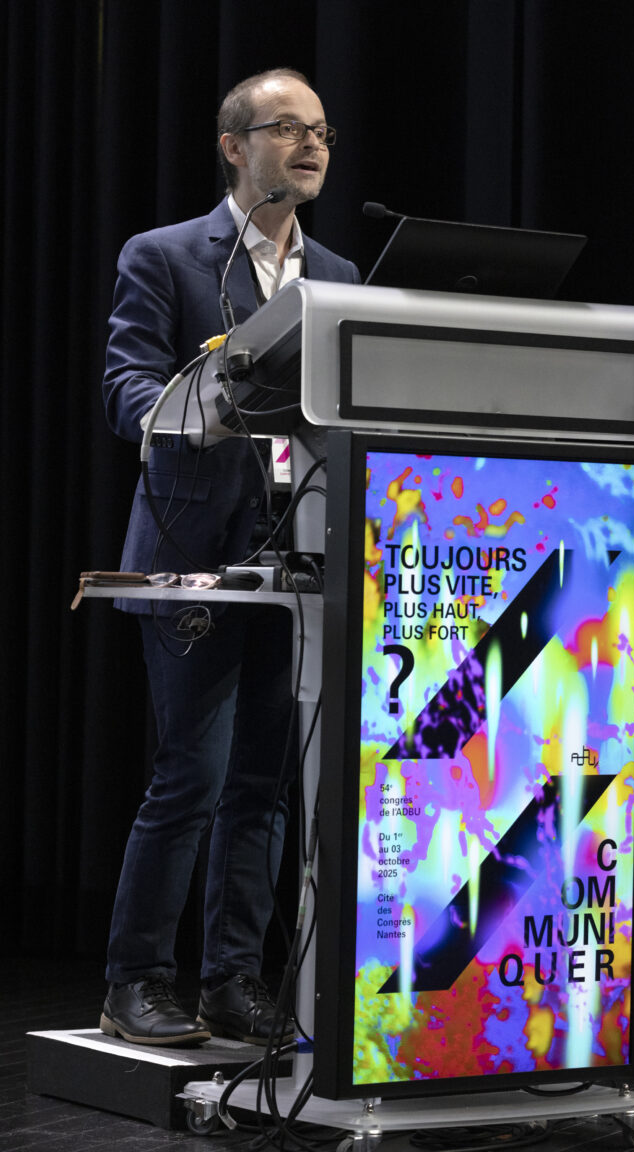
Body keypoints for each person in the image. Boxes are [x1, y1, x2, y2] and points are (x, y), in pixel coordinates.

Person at [99, 69, 360, 1046]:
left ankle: (233, 981)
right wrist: (191, 409)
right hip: (194, 556)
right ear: (234, 147)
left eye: (320, 130)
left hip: (302, 557)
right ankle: (135, 980)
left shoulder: (338, 275)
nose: (310, 144)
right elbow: (125, 383)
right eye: (287, 128)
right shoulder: (167, 255)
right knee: (192, 780)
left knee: (264, 783)